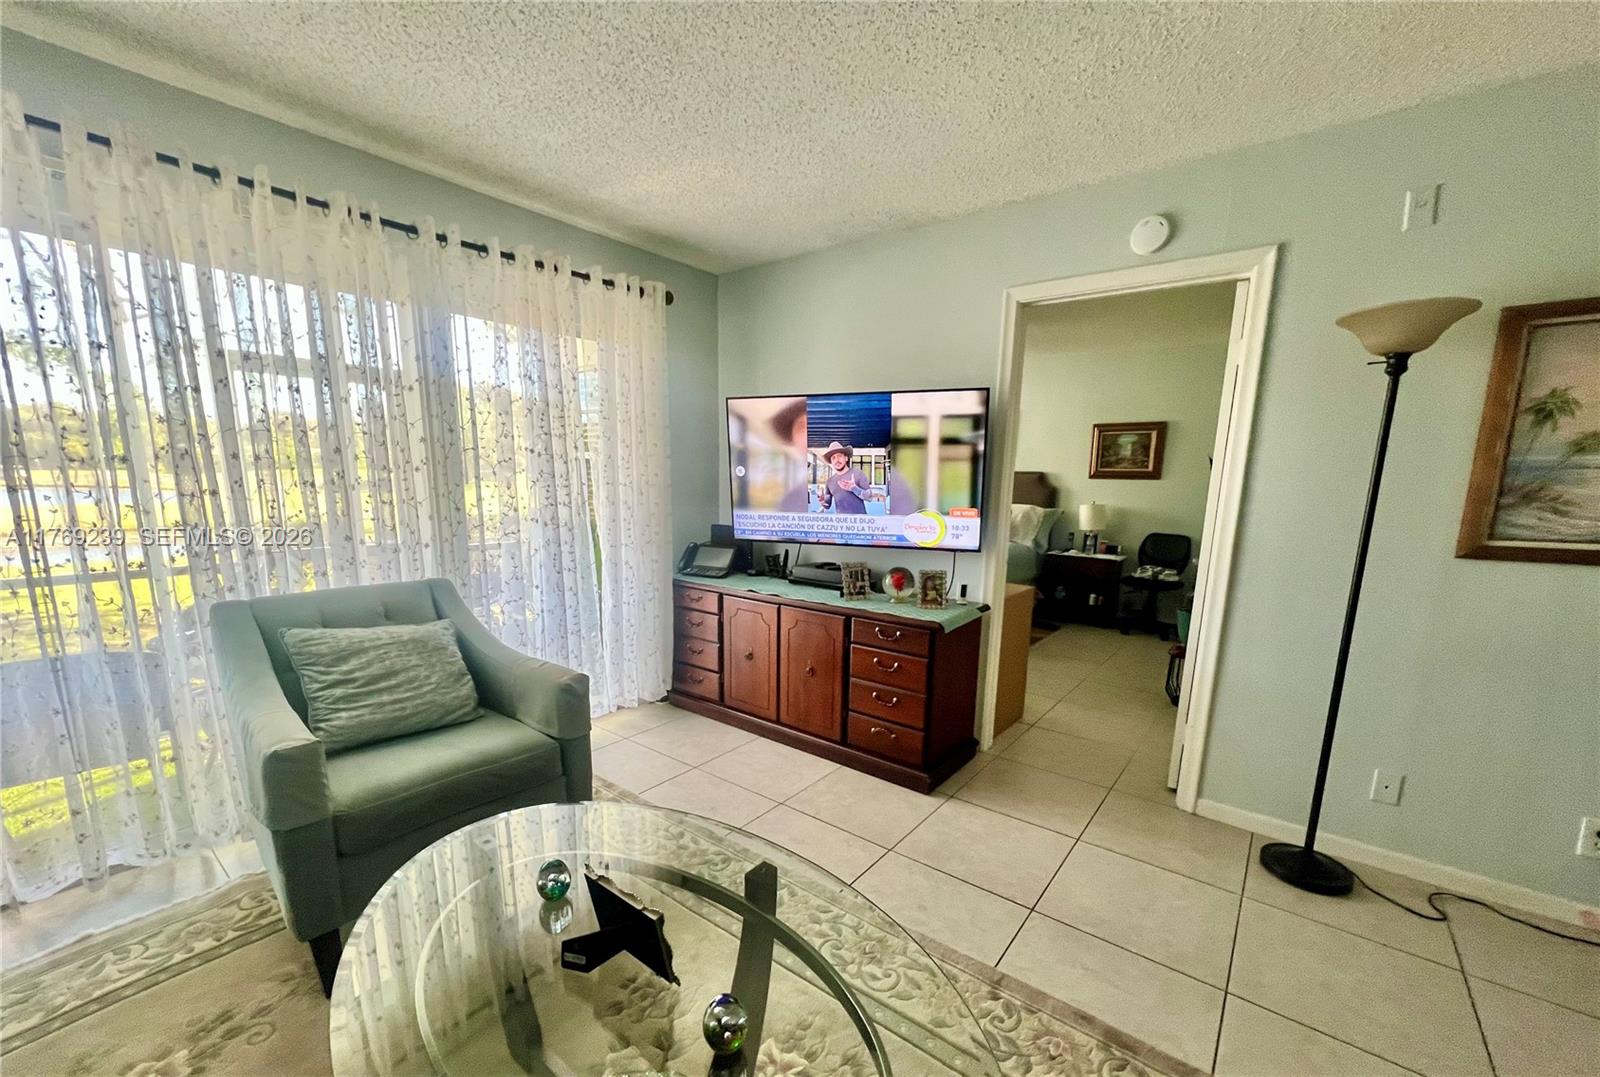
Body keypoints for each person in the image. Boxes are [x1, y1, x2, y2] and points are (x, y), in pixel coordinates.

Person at [817, 441, 872, 514]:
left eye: (839, 456)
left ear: (846, 458)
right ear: (831, 462)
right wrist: (822, 501)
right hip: (842, 520)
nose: (837, 460)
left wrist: (854, 488)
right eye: (833, 458)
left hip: (860, 520)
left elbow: (869, 497)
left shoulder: (858, 474)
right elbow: (827, 505)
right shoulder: (829, 482)